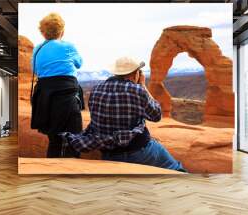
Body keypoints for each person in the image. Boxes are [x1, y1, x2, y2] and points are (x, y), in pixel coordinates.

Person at [57, 57, 186, 172]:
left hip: (109, 153)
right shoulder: (137, 91)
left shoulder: (96, 90)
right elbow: (156, 115)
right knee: (177, 169)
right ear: (136, 74)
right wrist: (143, 86)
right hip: (138, 151)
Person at [30, 13, 84, 158]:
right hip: (67, 96)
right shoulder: (68, 46)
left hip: (45, 98)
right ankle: (70, 174)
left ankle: (52, 170)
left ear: (43, 32)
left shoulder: (37, 49)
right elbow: (79, 63)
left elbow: (35, 70)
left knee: (54, 139)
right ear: (62, 31)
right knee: (74, 138)